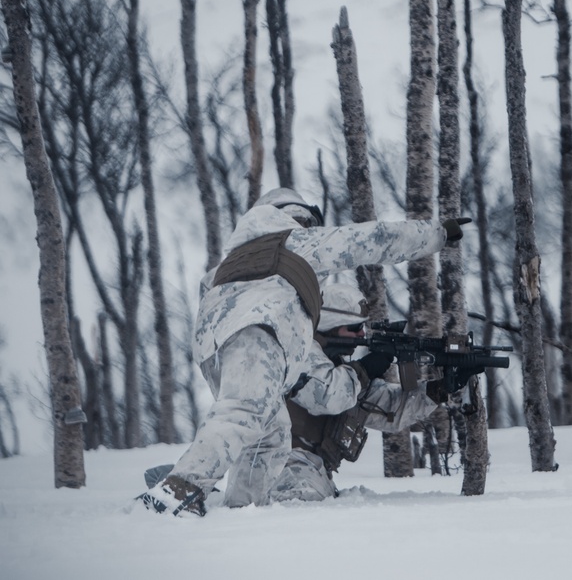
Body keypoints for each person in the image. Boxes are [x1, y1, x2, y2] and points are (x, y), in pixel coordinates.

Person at [139, 187, 469, 516]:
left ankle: (241, 511)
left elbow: (210, 299)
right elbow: (376, 239)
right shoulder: (296, 243)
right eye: (308, 221)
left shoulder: (232, 260)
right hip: (259, 330)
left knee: (270, 434)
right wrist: (438, 233)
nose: (310, 227)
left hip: (213, 346)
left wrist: (436, 388)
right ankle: (178, 491)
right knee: (242, 413)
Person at [264, 281, 448, 504]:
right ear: (332, 326)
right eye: (353, 328)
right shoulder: (299, 355)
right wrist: (365, 368)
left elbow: (388, 409)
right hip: (283, 471)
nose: (361, 333)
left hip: (309, 472)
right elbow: (329, 397)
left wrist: (440, 390)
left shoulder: (339, 370)